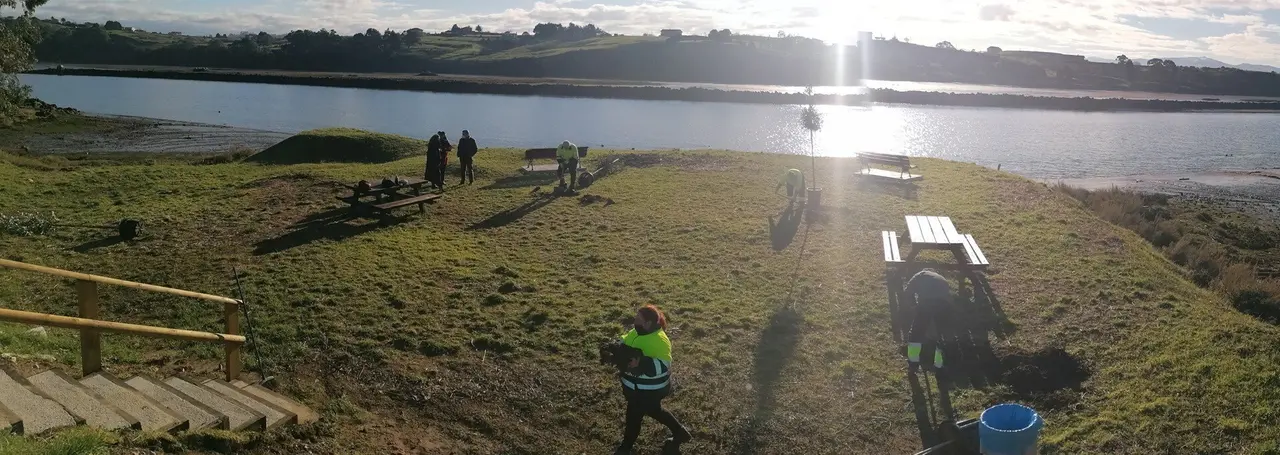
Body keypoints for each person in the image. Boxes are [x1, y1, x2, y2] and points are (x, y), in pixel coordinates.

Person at [615, 305, 692, 453]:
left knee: (633, 415)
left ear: (648, 323)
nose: (635, 320)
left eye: (638, 318)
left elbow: (663, 365)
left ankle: (625, 447)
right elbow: (626, 339)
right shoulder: (637, 331)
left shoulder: (660, 340)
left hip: (649, 390)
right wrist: (616, 346)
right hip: (638, 388)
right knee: (654, 410)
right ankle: (680, 432)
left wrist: (641, 363)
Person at [905, 269, 952, 375]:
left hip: (927, 302)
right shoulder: (940, 277)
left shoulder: (918, 276)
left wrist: (914, 306)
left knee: (916, 334)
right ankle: (939, 365)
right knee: (940, 335)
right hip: (943, 304)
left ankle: (913, 364)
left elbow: (908, 292)